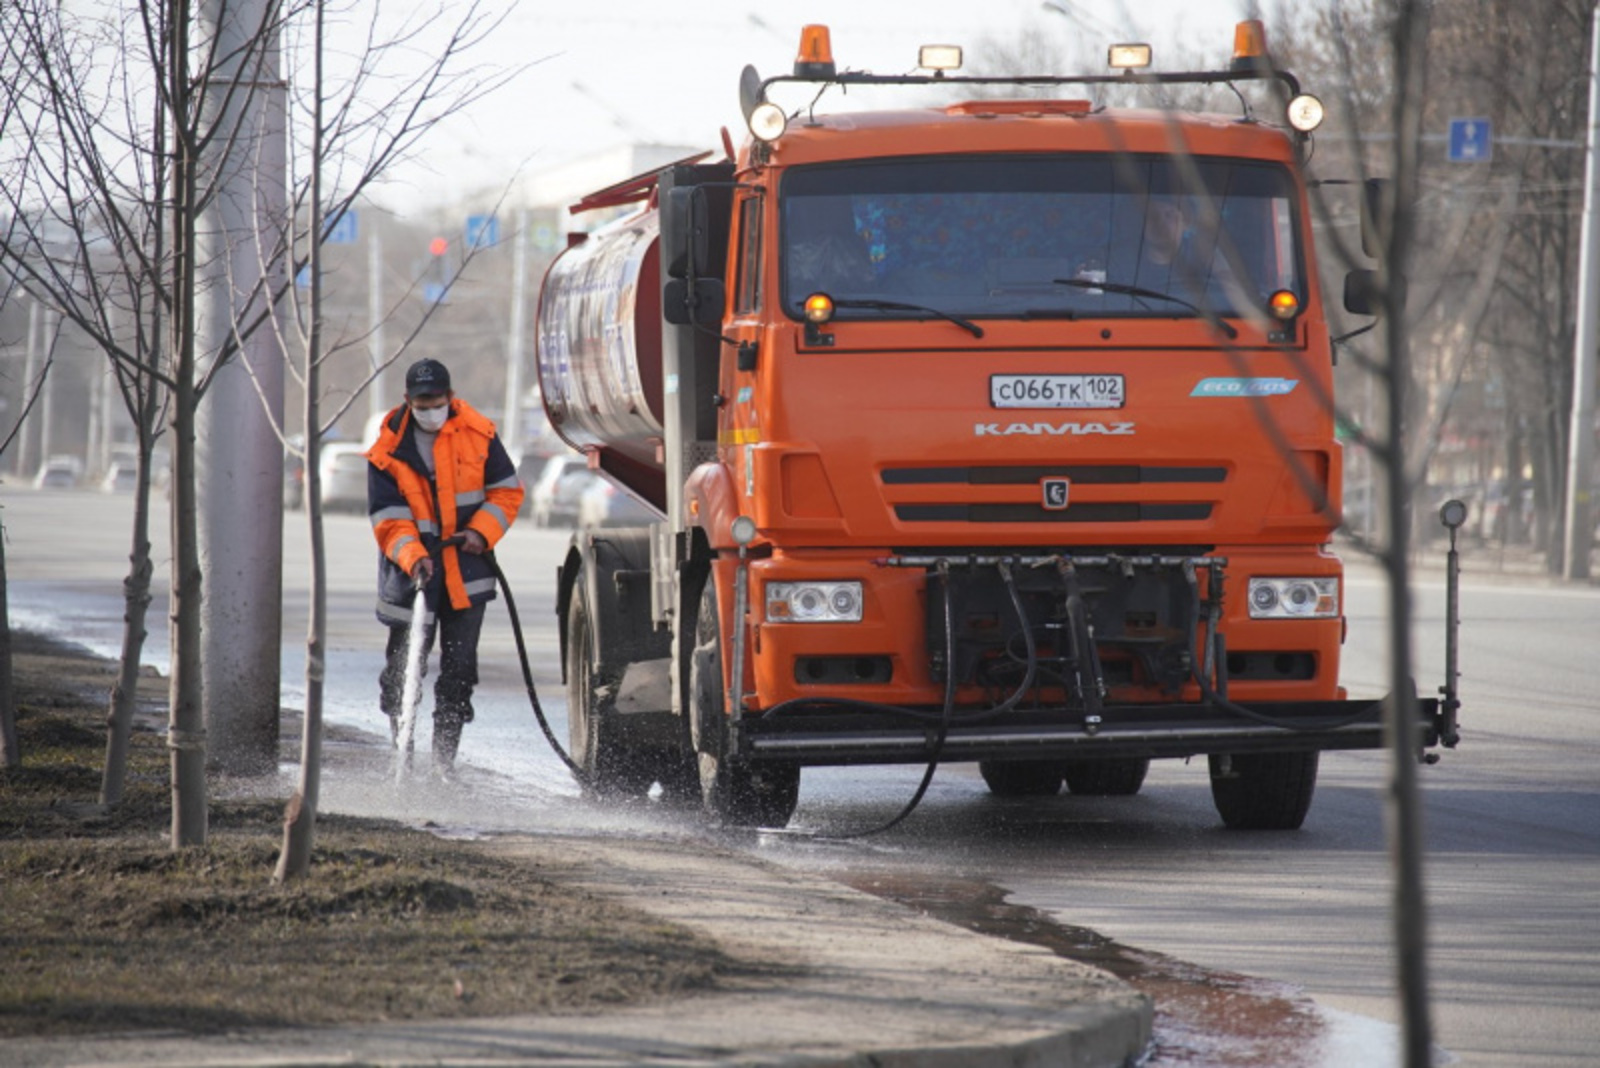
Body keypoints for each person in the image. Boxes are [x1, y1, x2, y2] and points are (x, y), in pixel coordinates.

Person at [366, 357, 524, 772]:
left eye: (436, 401)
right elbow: (388, 518)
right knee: (402, 672)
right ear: (408, 399)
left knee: (459, 671)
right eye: (422, 403)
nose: (430, 409)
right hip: (412, 577)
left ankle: (442, 764)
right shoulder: (387, 449)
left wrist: (481, 532)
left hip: (466, 572)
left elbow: (506, 492)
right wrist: (413, 555)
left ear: (450, 396)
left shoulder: (479, 434)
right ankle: (402, 753)